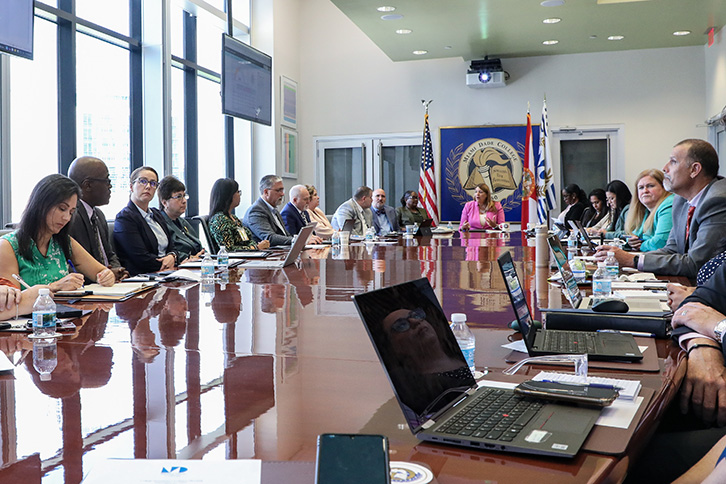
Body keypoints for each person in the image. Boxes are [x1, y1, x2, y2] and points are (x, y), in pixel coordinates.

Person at [596, 139, 726, 278]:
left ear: (694, 170)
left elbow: (696, 264)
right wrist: (629, 257)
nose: (665, 168)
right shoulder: (681, 200)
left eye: (673, 161)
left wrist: (632, 260)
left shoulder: (717, 201)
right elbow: (671, 249)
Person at [0, 174, 114, 290]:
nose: (67, 218)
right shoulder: (8, 246)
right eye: (62, 209)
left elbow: (100, 271)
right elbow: (11, 302)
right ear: (41, 204)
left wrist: (107, 276)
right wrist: (54, 287)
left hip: (66, 307)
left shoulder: (63, 241)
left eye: (71, 212)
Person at [67, 156, 129, 282]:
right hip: (90, 287)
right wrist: (103, 274)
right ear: (88, 185)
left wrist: (117, 270)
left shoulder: (99, 215)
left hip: (109, 284)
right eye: (106, 181)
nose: (110, 186)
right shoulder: (70, 218)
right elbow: (73, 265)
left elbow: (109, 254)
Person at [113, 166, 178, 276]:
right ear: (131, 187)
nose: (148, 186)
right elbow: (140, 258)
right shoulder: (125, 218)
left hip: (166, 273)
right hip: (143, 277)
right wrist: (168, 264)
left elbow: (173, 246)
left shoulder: (157, 214)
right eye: (143, 181)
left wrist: (173, 256)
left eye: (153, 183)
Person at [209, 178, 271, 252]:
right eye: (237, 192)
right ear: (228, 195)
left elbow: (247, 240)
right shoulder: (219, 220)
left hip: (246, 258)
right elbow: (228, 249)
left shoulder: (233, 218)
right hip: (234, 261)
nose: (239, 195)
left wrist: (258, 245)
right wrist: (255, 247)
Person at [622, 169, 674, 252]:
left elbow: (660, 243)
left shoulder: (668, 204)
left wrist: (641, 245)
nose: (645, 191)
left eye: (650, 186)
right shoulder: (647, 210)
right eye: (641, 188)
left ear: (664, 187)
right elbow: (635, 235)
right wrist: (631, 242)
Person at [157, 175, 204, 261]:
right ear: (164, 203)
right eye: (178, 196)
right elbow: (166, 251)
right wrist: (190, 258)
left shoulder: (182, 222)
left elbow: (198, 246)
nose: (184, 201)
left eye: (184, 196)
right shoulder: (160, 224)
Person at [244, 175, 294, 246]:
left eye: (282, 190)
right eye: (278, 190)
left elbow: (285, 234)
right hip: (267, 254)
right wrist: (295, 240)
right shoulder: (256, 210)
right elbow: (269, 238)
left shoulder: (274, 209)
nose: (282, 194)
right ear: (266, 192)